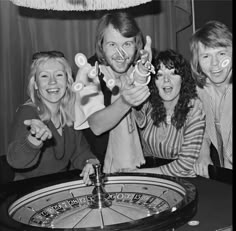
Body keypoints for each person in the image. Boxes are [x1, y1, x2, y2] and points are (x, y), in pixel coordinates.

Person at [74, 11, 152, 173]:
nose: (120, 53)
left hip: (140, 166)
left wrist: (144, 71)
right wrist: (125, 101)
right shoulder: (89, 72)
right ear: (101, 45)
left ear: (137, 44)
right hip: (99, 170)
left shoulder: (137, 67)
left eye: (127, 44)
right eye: (112, 45)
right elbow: (97, 125)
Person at [7, 51, 99, 183]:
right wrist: (33, 139)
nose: (52, 82)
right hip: (28, 189)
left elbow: (81, 152)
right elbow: (15, 161)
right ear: (36, 84)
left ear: (68, 81)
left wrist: (90, 163)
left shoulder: (69, 113)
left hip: (58, 185)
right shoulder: (27, 112)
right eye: (44, 76)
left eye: (59, 75)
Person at [130, 49, 206, 177]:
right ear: (153, 80)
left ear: (183, 79)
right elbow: (132, 101)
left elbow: (185, 165)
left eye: (173, 73)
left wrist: (138, 173)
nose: (166, 80)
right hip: (149, 176)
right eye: (159, 75)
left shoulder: (194, 108)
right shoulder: (147, 104)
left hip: (182, 180)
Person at [189, 21, 232, 178]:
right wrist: (203, 152)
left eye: (221, 53)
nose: (215, 64)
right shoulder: (201, 90)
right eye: (206, 56)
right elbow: (203, 126)